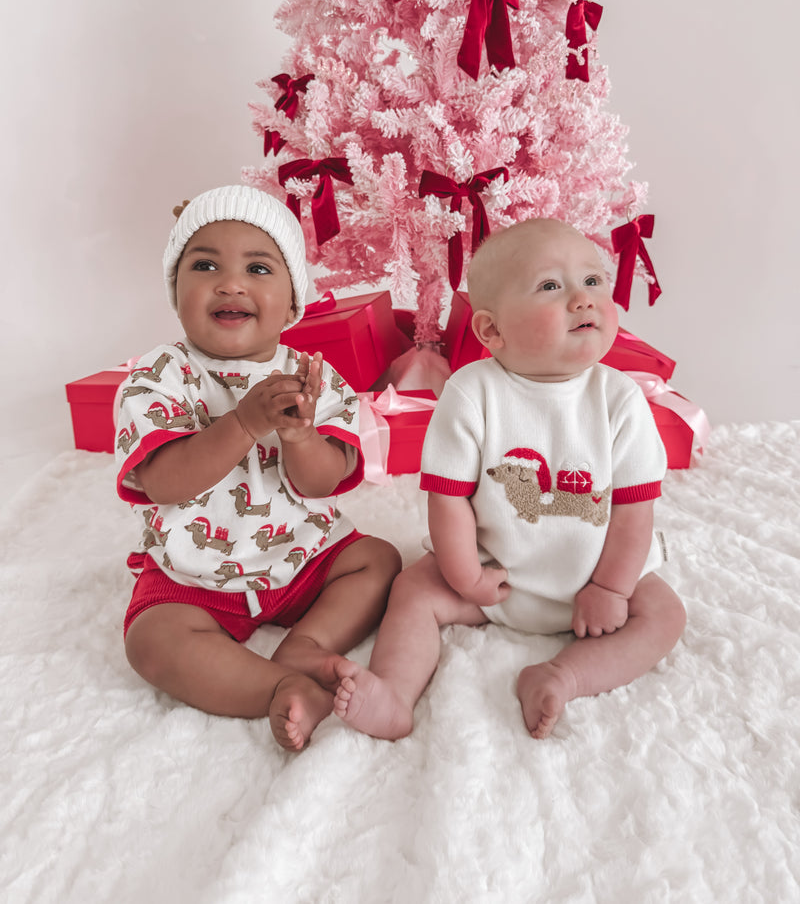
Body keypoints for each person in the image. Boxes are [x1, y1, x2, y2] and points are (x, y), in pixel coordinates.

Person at [334, 217, 686, 740]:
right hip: (495, 578)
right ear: (492, 330)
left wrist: (611, 588)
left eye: (593, 282)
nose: (584, 299)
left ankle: (562, 677)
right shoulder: (471, 392)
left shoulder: (620, 399)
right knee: (413, 590)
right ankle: (394, 692)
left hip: (596, 577)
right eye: (551, 286)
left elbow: (635, 508)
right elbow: (447, 498)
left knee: (664, 615)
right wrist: (465, 578)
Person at [116, 185, 400, 751]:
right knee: (150, 640)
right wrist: (243, 424)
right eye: (204, 265)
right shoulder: (157, 377)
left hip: (301, 558)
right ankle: (280, 686)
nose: (231, 282)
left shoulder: (315, 378)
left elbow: (320, 483)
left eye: (258, 267)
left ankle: (307, 644)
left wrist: (298, 435)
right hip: (194, 579)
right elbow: (163, 482)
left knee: (379, 560)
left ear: (294, 303)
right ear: (177, 293)